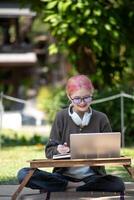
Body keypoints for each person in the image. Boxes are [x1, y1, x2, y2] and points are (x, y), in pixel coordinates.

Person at [17, 74, 125, 194]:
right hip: (63, 176)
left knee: (117, 183)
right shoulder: (61, 117)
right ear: (69, 97)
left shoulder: (101, 118)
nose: (82, 102)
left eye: (86, 98)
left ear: (92, 95)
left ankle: (65, 188)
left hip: (92, 177)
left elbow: (111, 151)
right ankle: (73, 186)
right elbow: (49, 151)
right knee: (23, 174)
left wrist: (101, 151)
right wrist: (58, 149)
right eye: (77, 98)